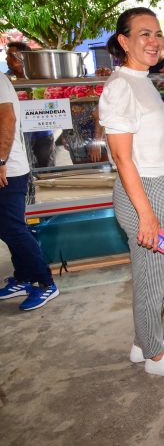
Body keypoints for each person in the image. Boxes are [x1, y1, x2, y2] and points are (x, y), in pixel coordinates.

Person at [98, 7, 164, 379]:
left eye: (157, 34)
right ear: (123, 41)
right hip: (145, 194)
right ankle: (153, 355)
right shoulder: (121, 87)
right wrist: (146, 215)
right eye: (143, 34)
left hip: (163, 188)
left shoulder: (142, 80)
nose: (154, 41)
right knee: (152, 272)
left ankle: (144, 340)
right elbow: (123, 161)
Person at [0, 74, 59, 311]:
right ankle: (24, 277)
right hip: (5, 167)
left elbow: (7, 119)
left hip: (8, 170)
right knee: (6, 228)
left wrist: (1, 160)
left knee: (13, 228)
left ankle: (45, 283)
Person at [6, 41, 57, 168]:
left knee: (47, 171)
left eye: (12, 55)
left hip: (43, 133)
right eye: (7, 55)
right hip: (19, 135)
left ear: (23, 56)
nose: (7, 59)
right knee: (24, 169)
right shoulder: (5, 80)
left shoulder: (40, 75)